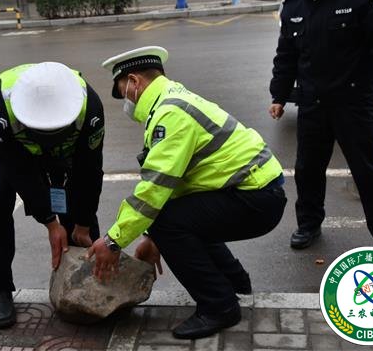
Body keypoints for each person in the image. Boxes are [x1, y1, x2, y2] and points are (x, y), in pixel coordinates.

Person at [87, 46, 287, 340]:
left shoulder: (170, 114)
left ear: (134, 82)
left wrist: (112, 241)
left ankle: (219, 307)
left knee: (168, 223)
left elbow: (153, 190)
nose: (126, 101)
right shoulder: (173, 100)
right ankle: (235, 282)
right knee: (174, 219)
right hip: (255, 192)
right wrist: (150, 236)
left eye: (122, 92)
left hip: (256, 198)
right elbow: (176, 184)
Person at [268, 0, 373, 256]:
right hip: (313, 102)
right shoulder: (295, 3)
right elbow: (287, 54)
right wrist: (279, 95)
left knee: (368, 171)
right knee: (307, 169)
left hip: (354, 102)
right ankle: (309, 224)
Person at [0, 62, 105, 329]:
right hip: (8, 142)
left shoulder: (89, 107)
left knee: (75, 205)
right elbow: (18, 172)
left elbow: (89, 171)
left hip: (66, 148)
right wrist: (49, 221)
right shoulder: (1, 106)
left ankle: (86, 283)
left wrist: (83, 222)